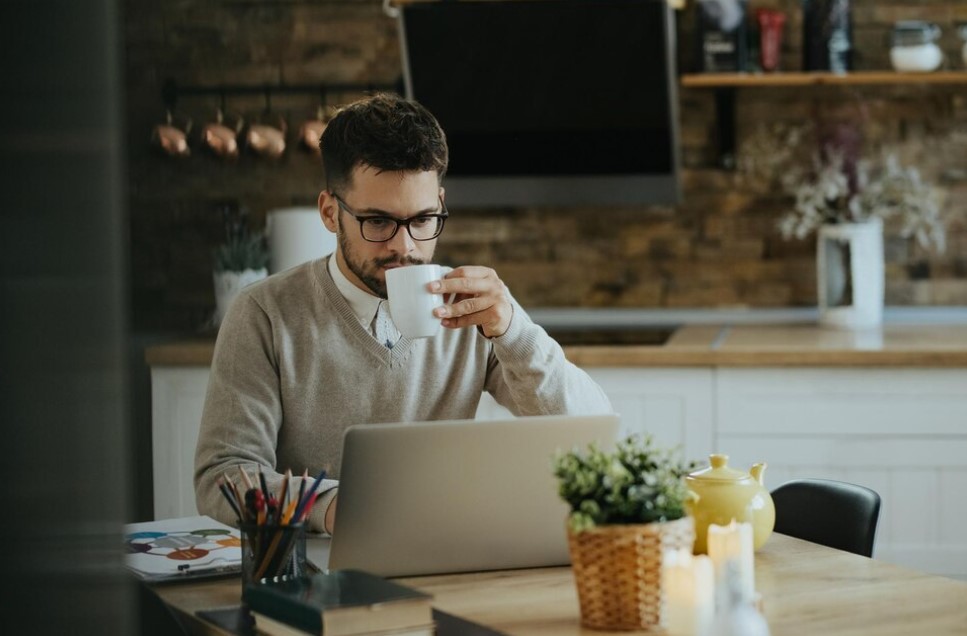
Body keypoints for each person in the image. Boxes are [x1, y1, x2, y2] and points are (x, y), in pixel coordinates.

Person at [194, 93, 612, 534]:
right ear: (330, 212)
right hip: (314, 566)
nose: (405, 247)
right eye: (378, 222)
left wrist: (514, 332)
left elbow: (590, 432)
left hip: (444, 553)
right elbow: (223, 474)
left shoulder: (472, 307)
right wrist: (335, 508)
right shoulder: (263, 314)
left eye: (423, 219)